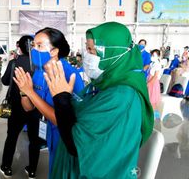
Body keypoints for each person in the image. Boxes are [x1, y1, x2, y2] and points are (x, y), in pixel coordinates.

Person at [39, 22, 153, 178]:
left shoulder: (121, 96)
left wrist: (61, 98)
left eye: (92, 50)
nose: (87, 55)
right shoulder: (105, 84)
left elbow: (75, 143)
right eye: (87, 49)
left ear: (114, 52)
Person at [13, 27, 84, 178]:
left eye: (39, 46)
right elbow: (28, 107)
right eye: (33, 46)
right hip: (49, 132)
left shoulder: (70, 75)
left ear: (54, 51)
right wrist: (23, 91)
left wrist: (30, 91)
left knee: (63, 172)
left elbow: (61, 120)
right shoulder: (39, 72)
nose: (34, 50)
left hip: (66, 137)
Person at [0, 36, 40, 178]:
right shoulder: (39, 64)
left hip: (16, 106)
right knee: (34, 139)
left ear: (20, 47)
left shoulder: (13, 63)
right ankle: (32, 170)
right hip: (36, 105)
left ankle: (6, 167)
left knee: (11, 136)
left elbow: (5, 82)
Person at [147, 49, 162, 118]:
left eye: (154, 55)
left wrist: (149, 83)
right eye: (152, 55)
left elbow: (155, 76)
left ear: (158, 56)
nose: (152, 56)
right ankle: (150, 113)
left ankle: (152, 115)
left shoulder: (158, 64)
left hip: (153, 82)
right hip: (149, 79)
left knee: (152, 99)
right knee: (149, 98)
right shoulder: (152, 63)